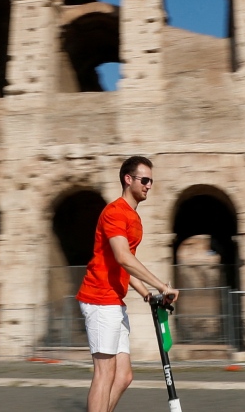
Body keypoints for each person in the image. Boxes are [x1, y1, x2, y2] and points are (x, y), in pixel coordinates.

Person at [76, 156, 179, 412]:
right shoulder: (114, 212)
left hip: (113, 301)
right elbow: (124, 257)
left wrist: (148, 295)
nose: (149, 185)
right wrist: (162, 286)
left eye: (151, 181)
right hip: (99, 298)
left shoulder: (133, 218)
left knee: (123, 376)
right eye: (144, 180)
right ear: (128, 179)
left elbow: (122, 264)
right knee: (105, 373)